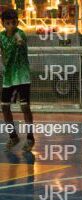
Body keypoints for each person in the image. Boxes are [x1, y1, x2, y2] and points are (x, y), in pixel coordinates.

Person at [0, 9, 34, 151]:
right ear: (3, 23)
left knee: (25, 107)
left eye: (14, 23)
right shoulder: (1, 36)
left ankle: (30, 138)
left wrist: (19, 40)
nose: (11, 26)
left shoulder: (20, 34)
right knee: (4, 107)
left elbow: (19, 40)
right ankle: (13, 136)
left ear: (17, 22)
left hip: (22, 76)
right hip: (8, 77)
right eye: (8, 23)